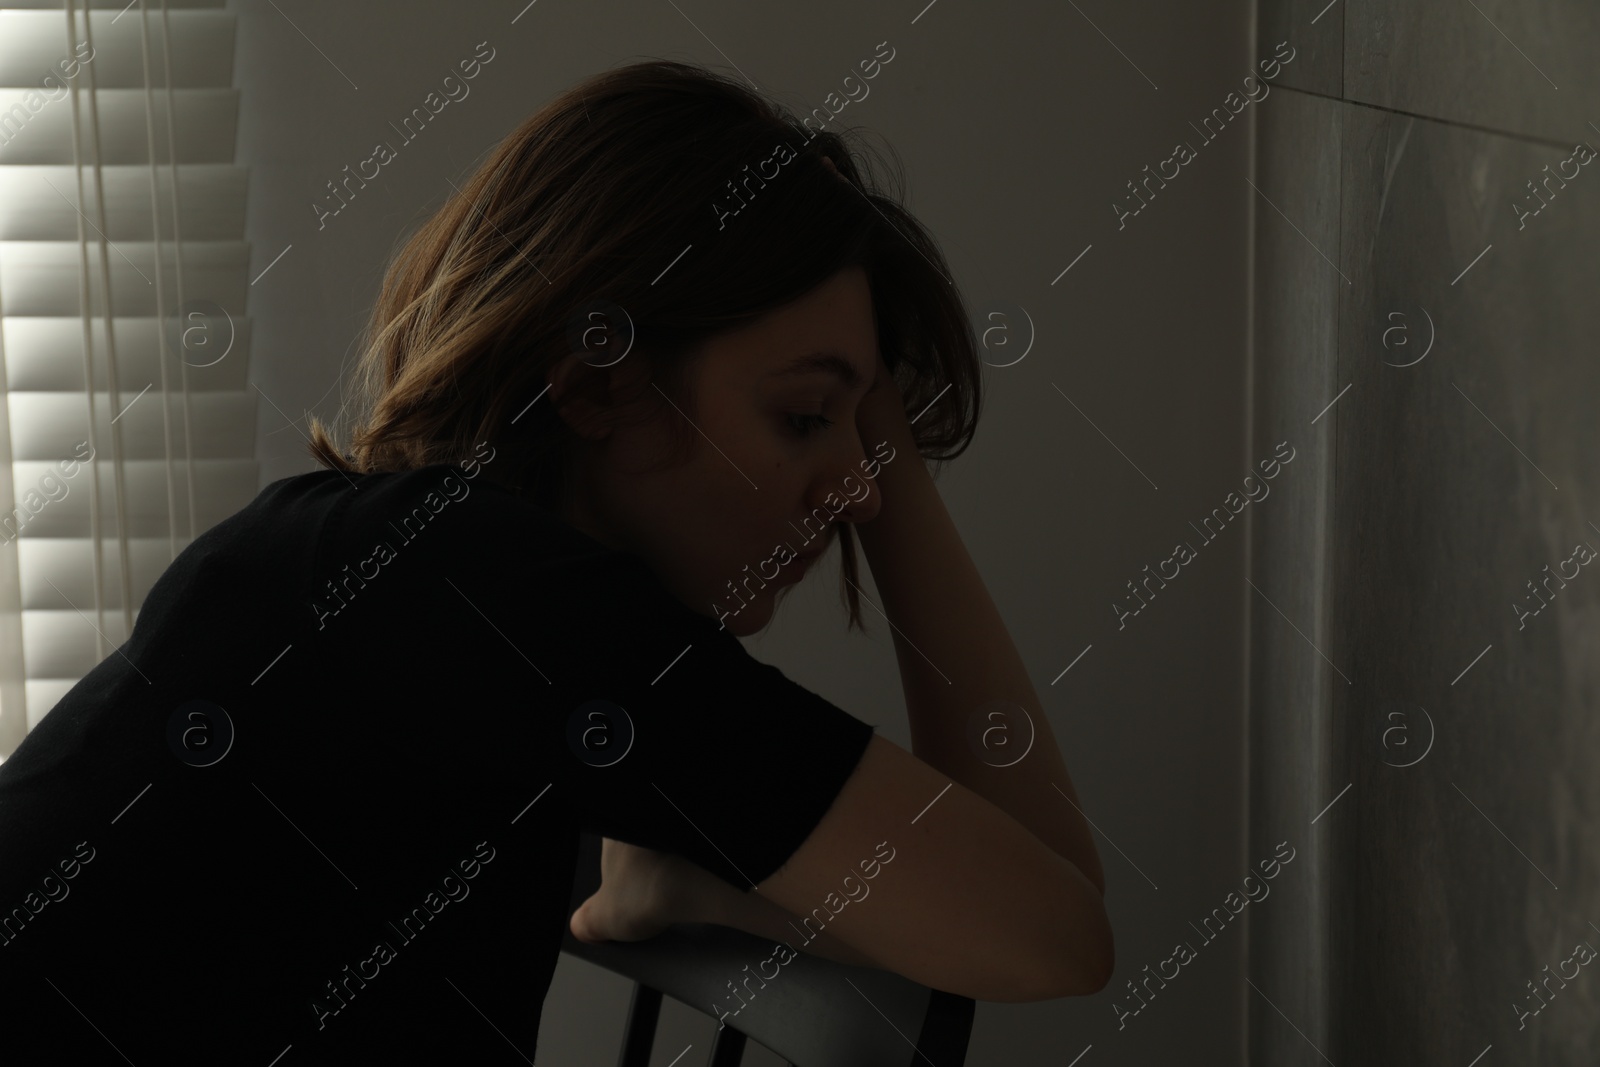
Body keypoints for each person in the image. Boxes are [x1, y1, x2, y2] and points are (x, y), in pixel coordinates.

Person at [0, 59, 1109, 1062]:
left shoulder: (369, 559)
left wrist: (689, 877)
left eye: (863, 438)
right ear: (592, 386)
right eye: (808, 416)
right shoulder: (506, 599)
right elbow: (1052, 926)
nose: (853, 485)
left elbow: (1034, 925)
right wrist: (895, 475)